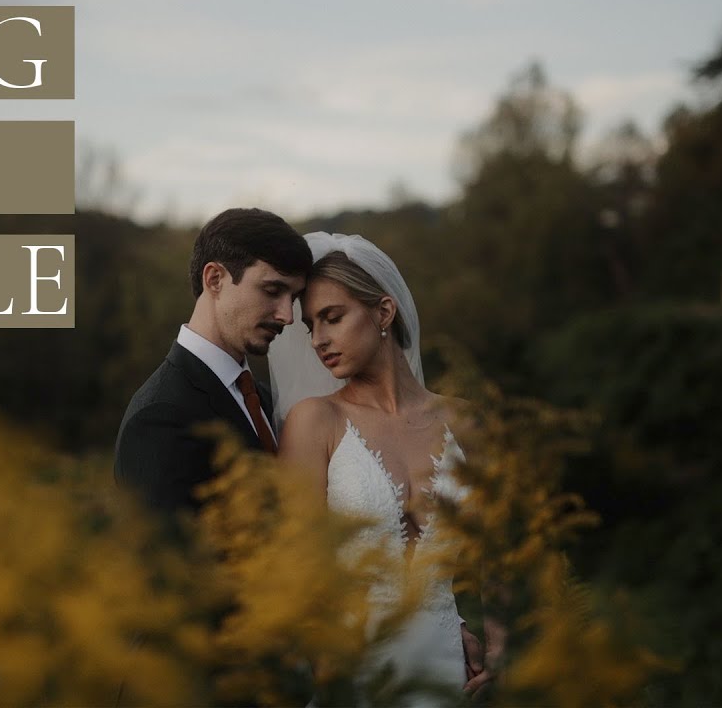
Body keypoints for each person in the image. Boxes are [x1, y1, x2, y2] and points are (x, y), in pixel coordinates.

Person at [269, 232, 505, 703]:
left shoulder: (466, 422)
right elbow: (300, 566)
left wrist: (501, 648)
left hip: (450, 675)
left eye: (333, 318)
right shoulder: (316, 421)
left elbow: (498, 552)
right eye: (311, 325)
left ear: (383, 312)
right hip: (355, 673)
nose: (318, 339)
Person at [114, 207, 312, 516]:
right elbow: (170, 560)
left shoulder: (265, 399)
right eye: (273, 290)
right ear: (215, 278)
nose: (287, 316)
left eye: (294, 299)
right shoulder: (159, 416)